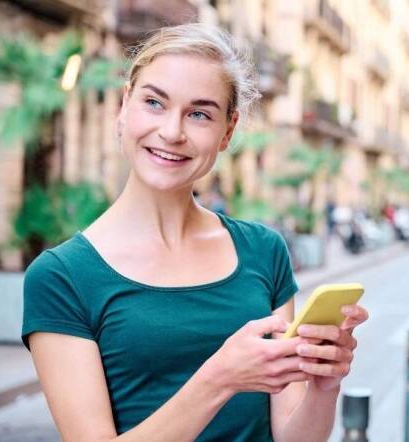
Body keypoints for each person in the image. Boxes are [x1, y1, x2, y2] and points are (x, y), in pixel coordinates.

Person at [22, 23, 368, 441]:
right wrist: (220, 379)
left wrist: (323, 386)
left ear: (227, 130)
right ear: (124, 104)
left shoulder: (264, 251)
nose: (172, 132)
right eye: (154, 102)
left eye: (200, 114)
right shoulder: (62, 277)